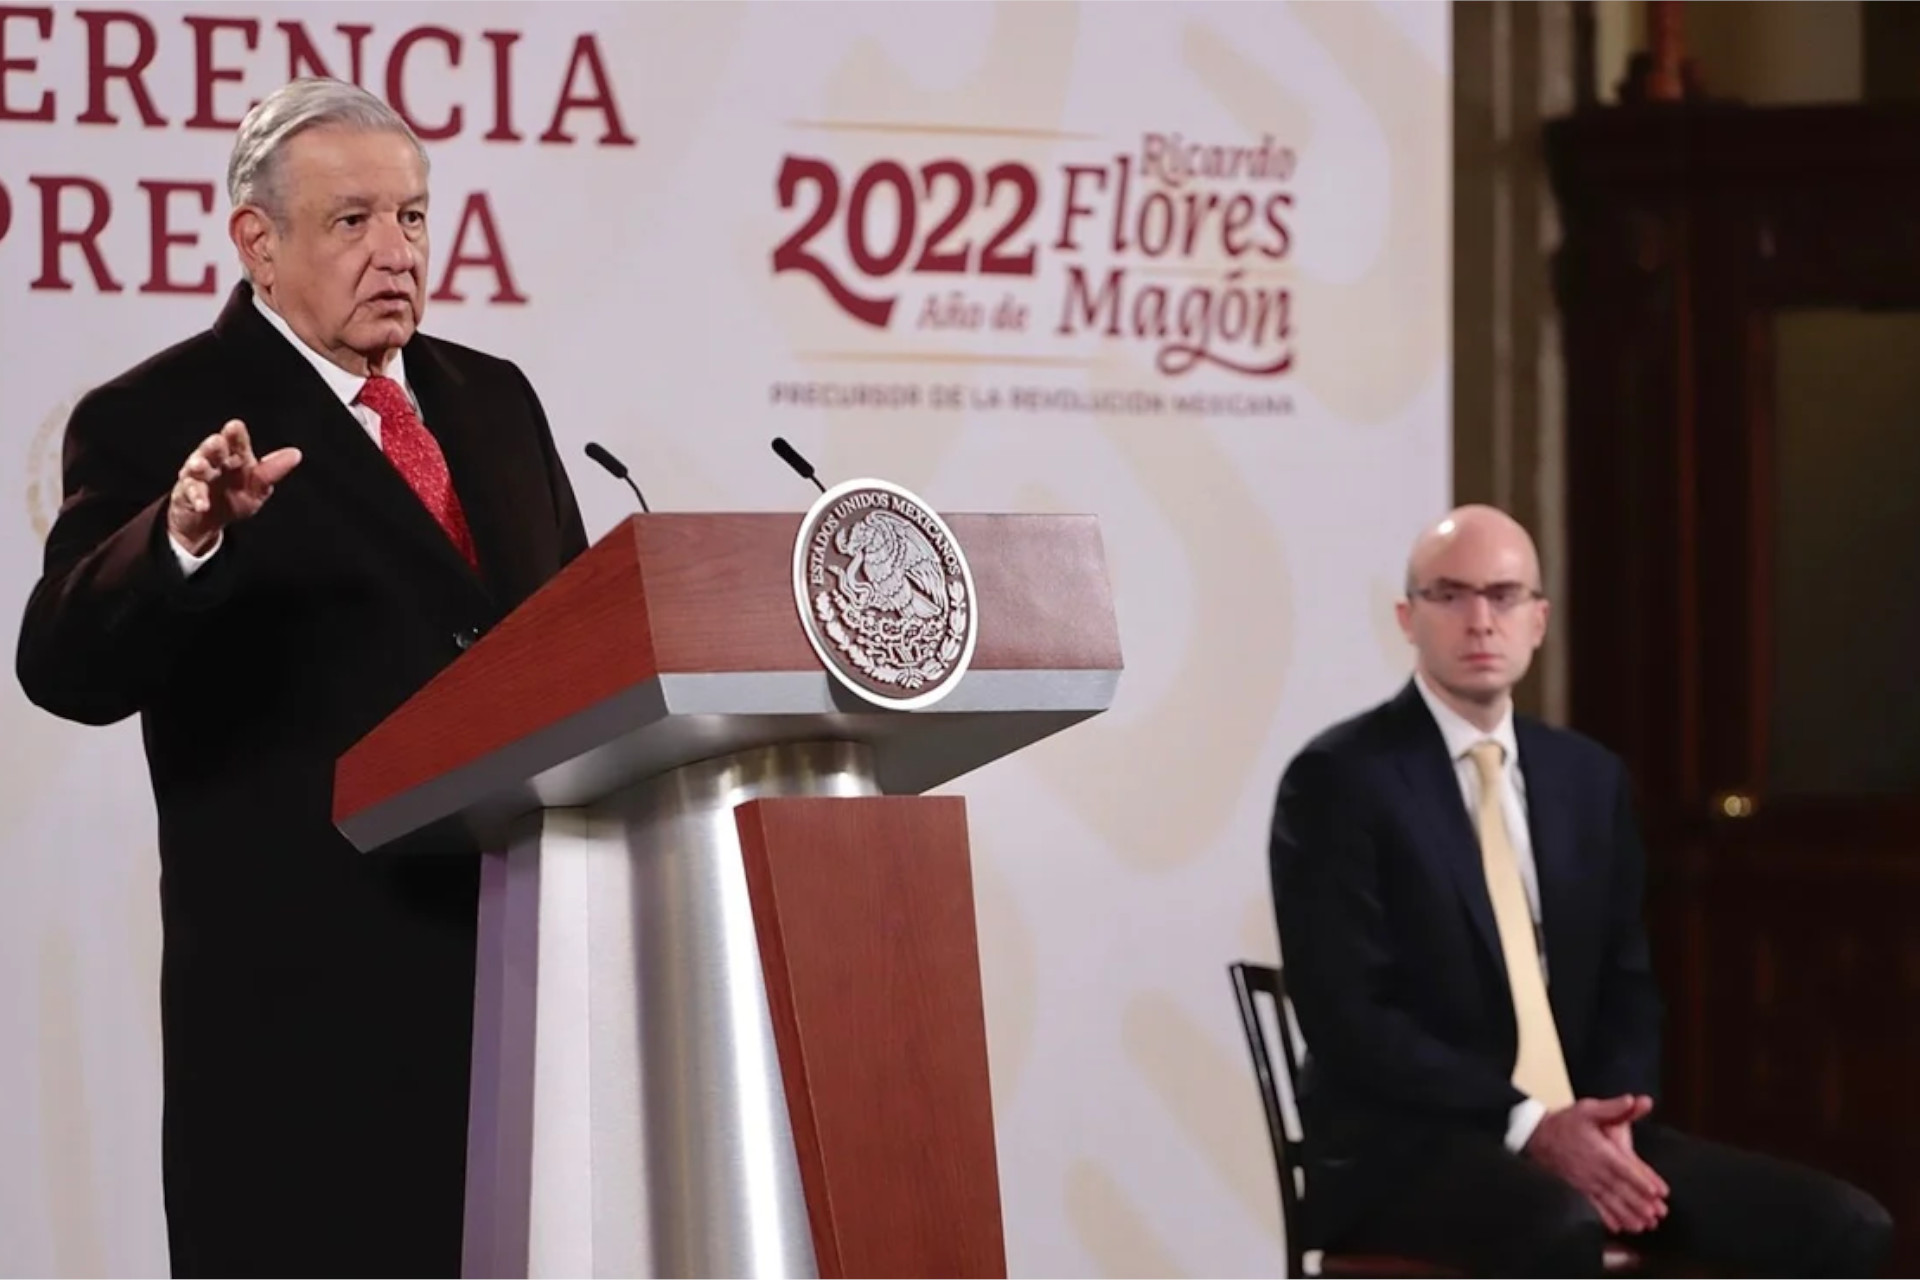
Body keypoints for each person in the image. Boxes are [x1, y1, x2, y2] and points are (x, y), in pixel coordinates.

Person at [15, 78, 588, 1277]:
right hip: (305, 1027)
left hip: (527, 995)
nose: (398, 252)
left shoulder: (494, 398)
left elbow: (575, 645)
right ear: (258, 242)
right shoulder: (158, 415)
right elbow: (65, 662)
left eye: (414, 216)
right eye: (353, 220)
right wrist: (182, 537)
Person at [1266, 505, 1893, 1277]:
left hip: (1578, 1131)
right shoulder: (1340, 779)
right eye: (1450, 595)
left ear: (1539, 619)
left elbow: (1627, 985)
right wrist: (1528, 1124)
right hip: (1405, 1152)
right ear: (1408, 618)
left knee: (1843, 1226)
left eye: (1504, 595)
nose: (1480, 621)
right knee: (1561, 1228)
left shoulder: (1588, 779)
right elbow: (1351, 1017)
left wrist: (1614, 1121)